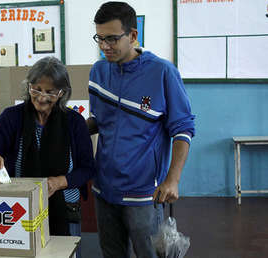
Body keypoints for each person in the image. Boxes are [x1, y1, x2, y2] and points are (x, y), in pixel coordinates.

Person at [87, 2, 196, 258]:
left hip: (143, 193)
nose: (105, 46)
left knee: (149, 254)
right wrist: (67, 127)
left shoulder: (162, 72)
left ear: (133, 36)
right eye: (99, 39)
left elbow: (183, 129)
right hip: (103, 188)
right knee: (111, 253)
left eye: (112, 39)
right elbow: (99, 122)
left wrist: (172, 180)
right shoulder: (98, 72)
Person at [0, 57, 95, 247]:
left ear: (62, 93)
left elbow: (87, 169)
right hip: (21, 207)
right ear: (28, 87)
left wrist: (58, 182)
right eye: (36, 89)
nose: (41, 97)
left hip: (65, 209)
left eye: (50, 92)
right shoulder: (12, 118)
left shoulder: (74, 122)